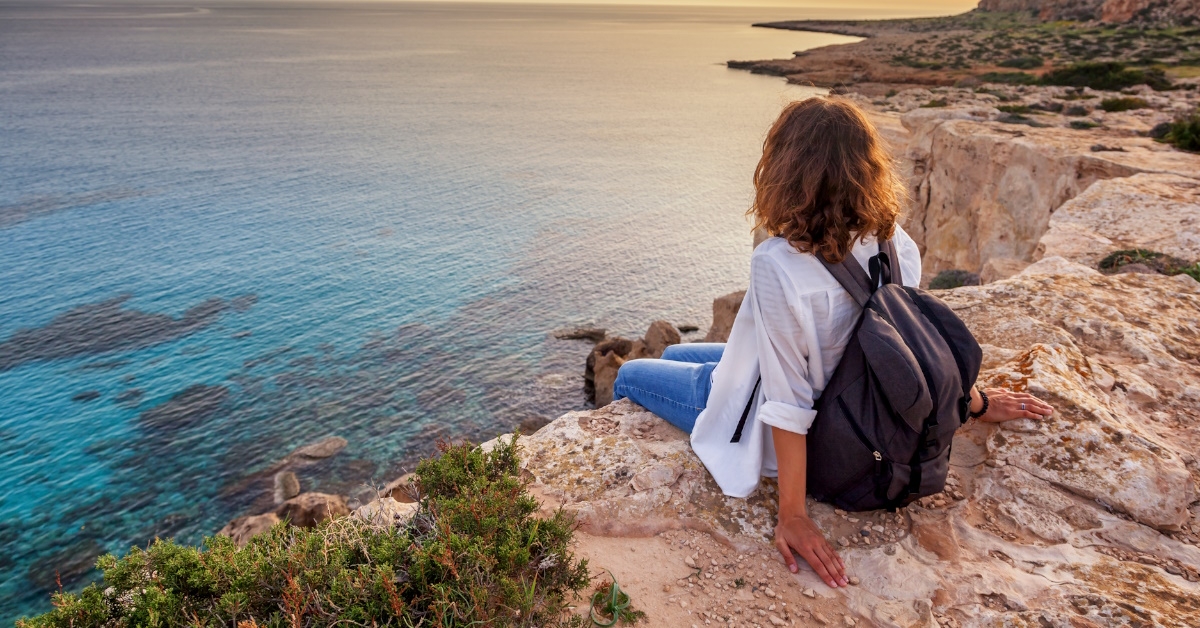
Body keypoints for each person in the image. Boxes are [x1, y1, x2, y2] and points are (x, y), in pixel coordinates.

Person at [612, 97, 1054, 590]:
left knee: (630, 374)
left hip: (813, 426)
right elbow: (911, 340)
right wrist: (975, 401)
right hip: (852, 393)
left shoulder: (778, 262)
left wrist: (794, 514)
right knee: (675, 353)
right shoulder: (895, 243)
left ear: (784, 170)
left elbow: (787, 400)